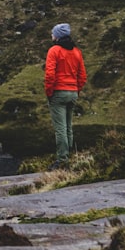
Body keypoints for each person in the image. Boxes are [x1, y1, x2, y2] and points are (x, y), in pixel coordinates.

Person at [44, 22, 87, 169]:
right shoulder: (76, 52)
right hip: (72, 92)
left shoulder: (54, 51)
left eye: (53, 33)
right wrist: (76, 90)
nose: (51, 36)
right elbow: (82, 76)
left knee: (60, 128)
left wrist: (49, 92)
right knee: (68, 127)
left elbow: (50, 74)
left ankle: (62, 160)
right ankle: (69, 156)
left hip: (58, 93)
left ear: (57, 36)